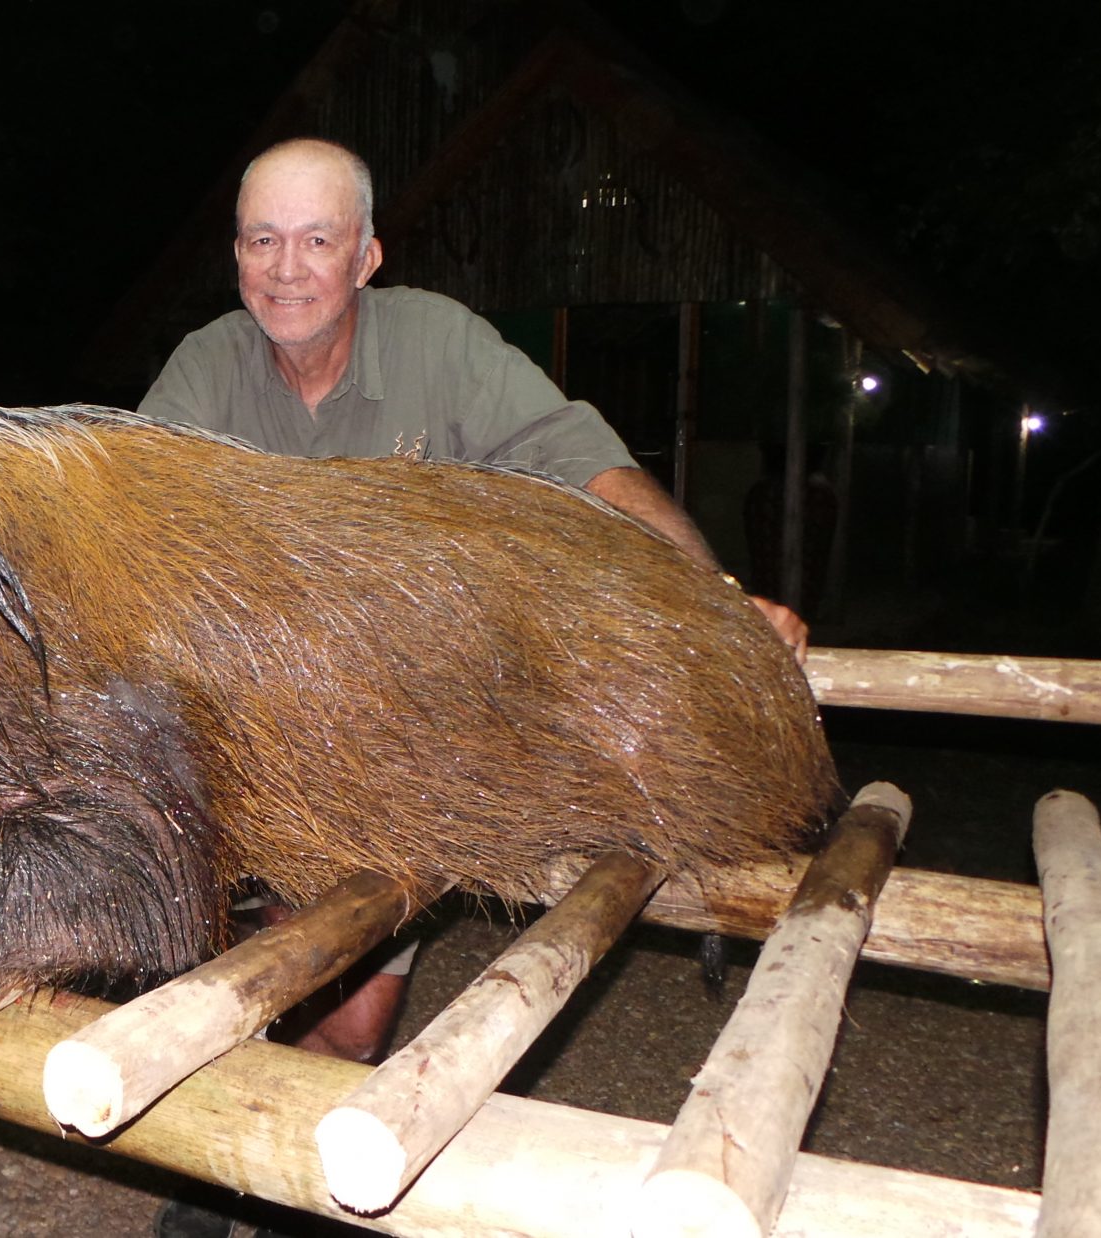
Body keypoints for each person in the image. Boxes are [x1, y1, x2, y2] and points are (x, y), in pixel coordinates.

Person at [135, 137, 807, 1238]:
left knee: (351, 1024)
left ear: (366, 256)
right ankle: (211, 1177)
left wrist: (716, 604)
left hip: (393, 754)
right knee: (205, 977)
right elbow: (127, 521)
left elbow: (587, 469)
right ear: (235, 255)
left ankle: (258, 1169)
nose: (288, 267)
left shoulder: (440, 345)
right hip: (233, 732)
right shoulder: (205, 370)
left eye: (317, 239)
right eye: (262, 239)